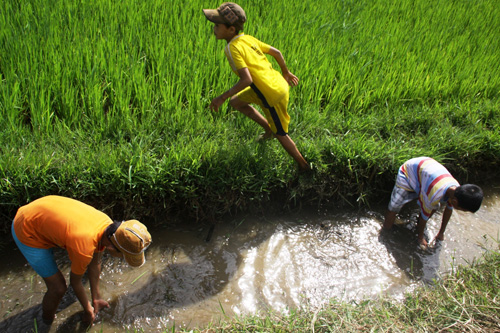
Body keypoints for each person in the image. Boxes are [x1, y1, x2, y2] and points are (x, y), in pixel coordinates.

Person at [12, 195, 152, 326]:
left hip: (41, 212)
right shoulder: (84, 248)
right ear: (111, 247)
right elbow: (75, 282)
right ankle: (45, 322)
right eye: (124, 255)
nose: (123, 259)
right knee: (58, 288)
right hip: (26, 228)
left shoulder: (108, 227)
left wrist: (96, 298)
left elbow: (95, 263)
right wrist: (88, 309)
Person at [203, 2, 310, 171]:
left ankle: (304, 166)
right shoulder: (247, 38)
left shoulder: (232, 48)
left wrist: (221, 97)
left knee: (281, 134)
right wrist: (286, 72)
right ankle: (268, 129)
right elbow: (277, 52)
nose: (214, 29)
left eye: (217, 25)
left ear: (231, 30)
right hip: (272, 84)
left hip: (271, 94)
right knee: (236, 103)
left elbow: (247, 80)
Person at [382, 157, 483, 248]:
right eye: (463, 210)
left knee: (433, 207)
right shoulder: (434, 195)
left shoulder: (456, 189)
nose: (462, 211)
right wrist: (420, 237)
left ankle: (418, 225)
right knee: (395, 206)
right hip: (408, 173)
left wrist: (441, 233)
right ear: (455, 201)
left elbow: (448, 210)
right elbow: (423, 217)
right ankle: (385, 232)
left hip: (425, 173)